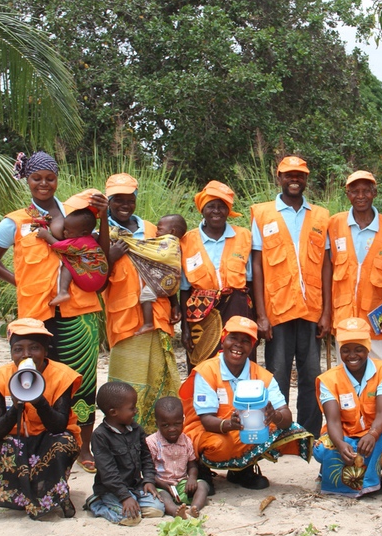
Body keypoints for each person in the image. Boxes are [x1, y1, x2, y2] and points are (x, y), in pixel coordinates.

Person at [0, 152, 107, 472]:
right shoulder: (14, 221)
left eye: (50, 177)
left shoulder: (75, 212)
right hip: (35, 316)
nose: (43, 183)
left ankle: (83, 446)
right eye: (37, 178)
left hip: (78, 311)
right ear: (27, 180)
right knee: (34, 379)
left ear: (57, 178)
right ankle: (36, 441)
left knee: (82, 382)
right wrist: (18, 282)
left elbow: (92, 250)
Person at [180, 316, 313, 490]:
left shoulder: (262, 375)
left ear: (252, 347)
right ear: (223, 340)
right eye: (233, 338)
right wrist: (230, 424)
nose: (238, 345)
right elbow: (206, 420)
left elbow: (286, 417)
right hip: (209, 430)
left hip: (244, 430)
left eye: (245, 341)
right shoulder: (206, 371)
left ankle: (242, 470)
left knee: (290, 429)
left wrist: (274, 415)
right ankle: (202, 469)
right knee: (219, 445)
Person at [250, 156, 331, 437]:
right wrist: (261, 315)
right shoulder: (262, 213)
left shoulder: (322, 216)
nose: (294, 179)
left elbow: (326, 265)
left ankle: (307, 433)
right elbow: (257, 266)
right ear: (279, 177)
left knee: (312, 375)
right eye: (288, 175)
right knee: (277, 375)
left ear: (307, 179)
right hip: (278, 310)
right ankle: (277, 432)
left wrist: (327, 312)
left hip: (311, 310)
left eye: (300, 175)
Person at [0, 318, 81, 518]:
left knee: (64, 443)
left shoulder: (62, 376)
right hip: (15, 440)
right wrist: (16, 407)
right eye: (18, 349)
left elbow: (58, 426)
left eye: (34, 348)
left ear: (45, 351)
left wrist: (39, 401)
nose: (26, 355)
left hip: (48, 439)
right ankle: (15, 497)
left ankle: (55, 495)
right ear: (11, 352)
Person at [102, 173, 182, 432]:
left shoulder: (152, 229)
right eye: (118, 200)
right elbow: (93, 282)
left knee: (159, 378)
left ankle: (157, 437)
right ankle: (125, 436)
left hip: (158, 316)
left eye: (130, 199)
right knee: (127, 384)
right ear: (108, 201)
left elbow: (170, 267)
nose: (125, 205)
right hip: (125, 321)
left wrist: (175, 301)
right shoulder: (102, 233)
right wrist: (110, 258)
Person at [314, 318, 382, 497]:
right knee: (322, 448)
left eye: (358, 349)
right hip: (344, 435)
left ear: (368, 348)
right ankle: (348, 472)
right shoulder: (328, 379)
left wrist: (373, 434)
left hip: (373, 435)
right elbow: (333, 420)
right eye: (346, 350)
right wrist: (340, 443)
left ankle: (367, 482)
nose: (352, 355)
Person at [324, 170, 382, 360]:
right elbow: (326, 270)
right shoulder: (334, 224)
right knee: (346, 371)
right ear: (347, 194)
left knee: (378, 370)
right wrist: (325, 312)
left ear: (374, 193)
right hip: (343, 317)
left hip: (377, 319)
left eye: (366, 191)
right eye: (355, 191)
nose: (360, 196)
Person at [180, 181, 254, 372]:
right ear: (202, 209)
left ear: (228, 210)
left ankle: (238, 401)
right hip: (200, 312)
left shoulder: (244, 236)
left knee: (239, 358)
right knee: (202, 364)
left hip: (238, 307)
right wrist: (185, 329)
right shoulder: (187, 240)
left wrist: (255, 318)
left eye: (222, 206)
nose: (217, 211)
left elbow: (253, 282)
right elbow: (184, 288)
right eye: (211, 206)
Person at [85, 382, 166, 526]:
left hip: (134, 486)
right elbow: (108, 472)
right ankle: (96, 503)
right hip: (112, 490)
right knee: (131, 519)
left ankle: (133, 503)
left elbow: (146, 458)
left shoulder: (136, 429)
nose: (135, 411)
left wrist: (148, 480)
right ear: (113, 412)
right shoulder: (100, 436)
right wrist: (124, 497)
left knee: (157, 510)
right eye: (131, 408)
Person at [35, 205, 110, 307]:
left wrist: (46, 235)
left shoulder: (79, 242)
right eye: (64, 228)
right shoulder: (89, 238)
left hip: (91, 281)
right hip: (98, 279)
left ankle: (63, 292)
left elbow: (59, 246)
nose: (64, 232)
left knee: (68, 262)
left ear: (83, 233)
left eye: (68, 231)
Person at [146, 397, 209, 517]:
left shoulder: (186, 441)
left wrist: (192, 478)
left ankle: (194, 508)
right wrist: (161, 484)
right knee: (164, 497)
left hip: (181, 484)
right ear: (157, 424)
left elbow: (192, 464)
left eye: (177, 424)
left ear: (183, 420)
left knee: (203, 485)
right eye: (165, 425)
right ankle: (176, 511)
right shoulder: (151, 443)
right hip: (161, 485)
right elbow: (147, 471)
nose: (172, 429)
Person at [136, 213, 186, 336]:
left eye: (160, 229)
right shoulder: (177, 244)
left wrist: (135, 246)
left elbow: (156, 254)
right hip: (172, 282)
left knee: (146, 296)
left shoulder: (167, 242)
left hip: (163, 280)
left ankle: (148, 323)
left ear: (172, 231)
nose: (156, 232)